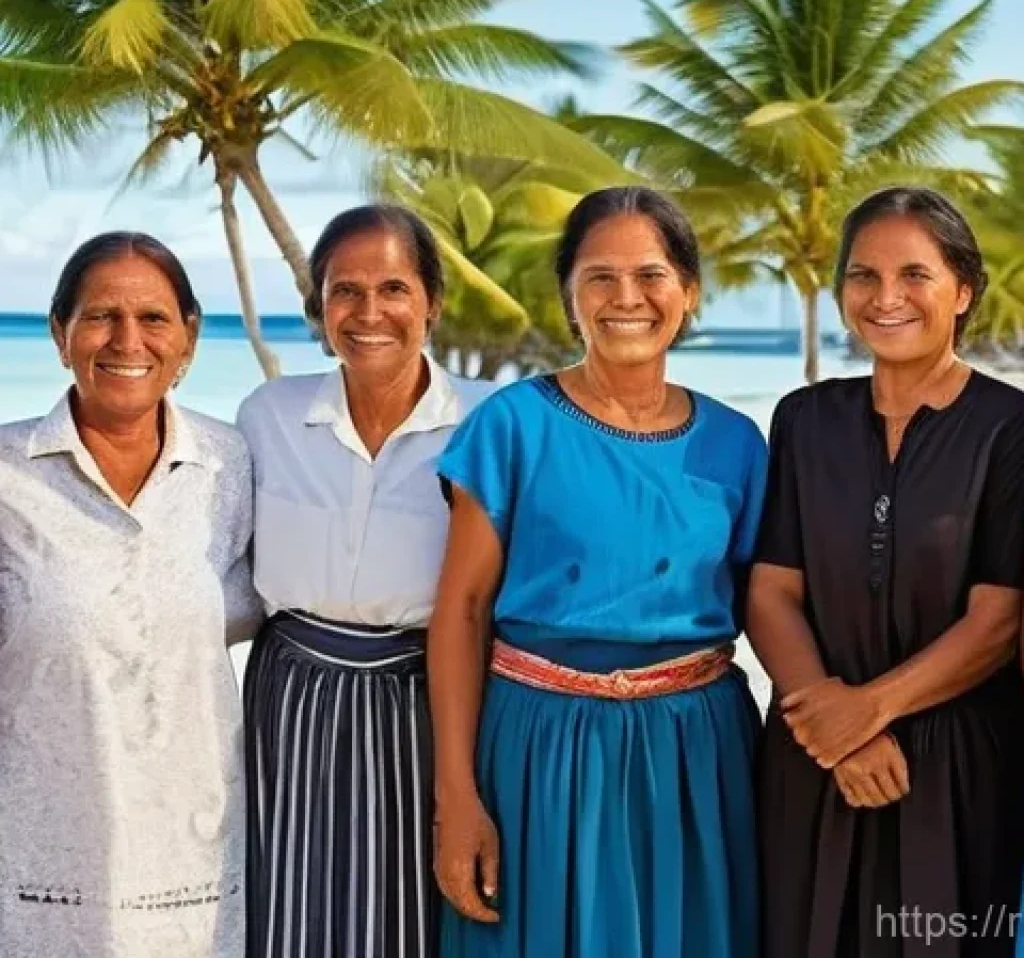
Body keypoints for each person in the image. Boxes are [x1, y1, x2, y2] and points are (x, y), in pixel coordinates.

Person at [429, 186, 767, 958]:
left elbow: (770, 607)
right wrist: (457, 798)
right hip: (538, 748)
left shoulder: (739, 442)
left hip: (695, 756)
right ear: (569, 298)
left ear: (688, 291)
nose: (627, 298)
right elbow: (461, 611)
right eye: (599, 278)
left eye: (650, 275)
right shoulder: (512, 425)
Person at [748, 186, 1024, 958]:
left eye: (915, 275)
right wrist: (832, 725)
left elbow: (999, 618)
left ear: (963, 290)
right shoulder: (803, 419)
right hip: (812, 758)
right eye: (864, 276)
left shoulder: (1010, 428)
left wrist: (866, 711)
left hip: (955, 771)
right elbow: (771, 590)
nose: (886, 298)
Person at [238, 204, 492, 958]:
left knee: (419, 908)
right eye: (344, 291)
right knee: (287, 898)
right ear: (318, 308)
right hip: (290, 699)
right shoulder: (268, 416)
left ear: (432, 303)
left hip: (431, 695)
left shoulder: (491, 421)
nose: (368, 311)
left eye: (393, 289)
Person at [0, 232, 260, 958]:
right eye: (99, 316)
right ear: (59, 335)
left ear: (189, 340)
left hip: (199, 875)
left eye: (153, 318)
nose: (127, 340)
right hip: (34, 876)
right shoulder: (5, 474)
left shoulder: (230, 463)